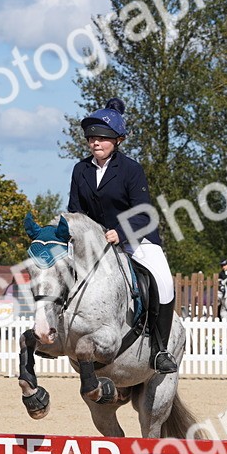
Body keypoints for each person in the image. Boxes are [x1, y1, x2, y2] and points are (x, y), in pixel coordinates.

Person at [68, 97, 178, 374]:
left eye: (103, 138)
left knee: (163, 282)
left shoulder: (131, 170)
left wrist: (122, 233)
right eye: (91, 137)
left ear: (118, 140)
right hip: (97, 244)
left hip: (137, 239)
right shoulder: (80, 170)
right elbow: (75, 212)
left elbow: (144, 214)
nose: (95, 142)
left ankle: (160, 349)